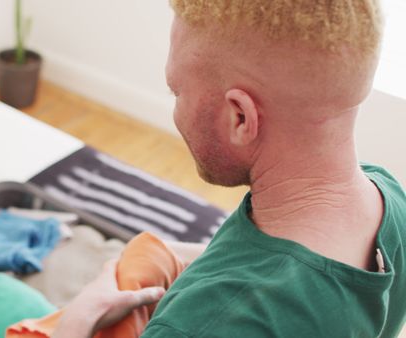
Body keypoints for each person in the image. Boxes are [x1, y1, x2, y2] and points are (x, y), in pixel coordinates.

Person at [52, 0, 406, 337]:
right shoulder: (391, 200)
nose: (176, 107)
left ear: (240, 117)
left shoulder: (203, 324)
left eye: (177, 92)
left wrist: (76, 323)